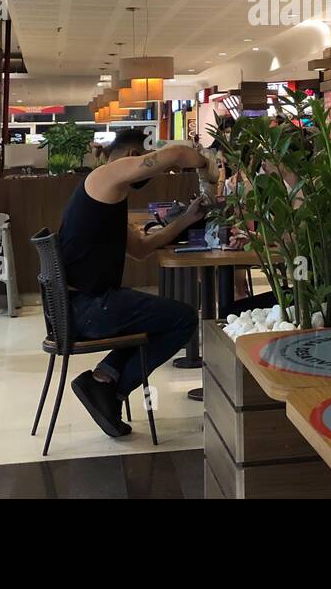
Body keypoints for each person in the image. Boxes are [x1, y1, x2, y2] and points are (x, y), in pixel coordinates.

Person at [60, 132, 214, 437]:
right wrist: (206, 164)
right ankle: (110, 389)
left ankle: (104, 379)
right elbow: (174, 156)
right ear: (132, 154)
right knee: (182, 319)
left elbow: (142, 249)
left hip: (82, 308)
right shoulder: (104, 176)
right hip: (90, 307)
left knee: (166, 316)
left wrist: (185, 219)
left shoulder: (109, 196)